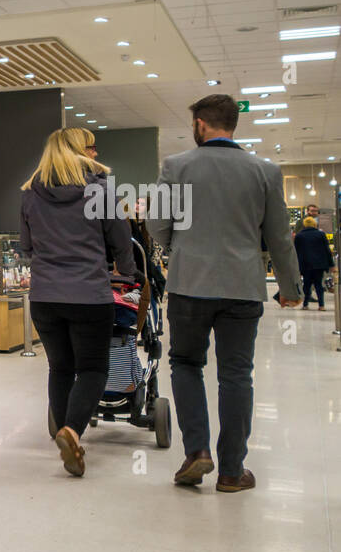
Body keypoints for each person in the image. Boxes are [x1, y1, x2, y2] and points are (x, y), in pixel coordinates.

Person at [151, 94, 302, 493]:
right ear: (232, 124)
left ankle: (197, 451)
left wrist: (176, 248)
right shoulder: (265, 171)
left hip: (189, 285)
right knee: (236, 374)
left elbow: (157, 224)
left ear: (200, 124)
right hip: (242, 286)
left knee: (185, 364)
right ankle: (233, 471)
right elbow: (279, 238)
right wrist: (290, 288)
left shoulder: (177, 166)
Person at [20, 127, 137, 477]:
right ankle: (72, 430)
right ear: (80, 151)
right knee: (92, 369)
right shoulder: (100, 189)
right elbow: (121, 239)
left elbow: (26, 247)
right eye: (92, 146)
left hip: (44, 296)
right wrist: (128, 273)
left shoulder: (29, 193)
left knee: (60, 367)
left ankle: (61, 431)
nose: (96, 152)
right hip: (88, 294)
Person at [294, 210, 335, 309]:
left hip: (305, 264)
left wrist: (296, 266)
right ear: (314, 224)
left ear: (304, 224)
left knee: (306, 284)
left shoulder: (299, 236)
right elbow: (327, 250)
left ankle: (305, 305)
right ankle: (321, 305)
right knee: (319, 284)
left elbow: (296, 252)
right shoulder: (321, 234)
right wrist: (331, 264)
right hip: (319, 264)